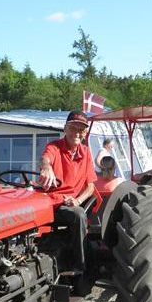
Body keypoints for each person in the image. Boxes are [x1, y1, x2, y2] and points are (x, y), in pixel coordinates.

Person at [39, 111, 97, 279]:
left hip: (70, 204)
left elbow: (91, 187)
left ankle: (80, 267)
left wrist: (78, 201)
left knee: (79, 215)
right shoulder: (54, 147)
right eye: (73, 128)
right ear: (65, 129)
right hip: (50, 202)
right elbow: (46, 158)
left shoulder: (85, 153)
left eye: (81, 130)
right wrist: (46, 167)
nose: (77, 133)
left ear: (85, 134)